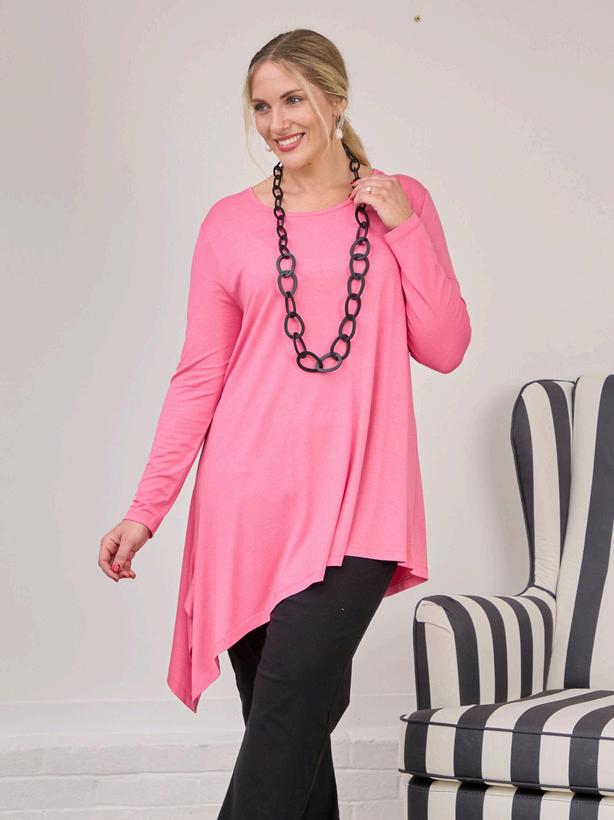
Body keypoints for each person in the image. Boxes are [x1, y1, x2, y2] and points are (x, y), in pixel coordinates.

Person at [98, 27, 471, 819]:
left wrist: (403, 224)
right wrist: (146, 509)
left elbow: (445, 347)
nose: (276, 122)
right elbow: (199, 375)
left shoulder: (401, 202)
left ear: (335, 100)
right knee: (292, 733)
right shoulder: (229, 224)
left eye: (292, 100)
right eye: (262, 107)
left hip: (360, 503)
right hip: (246, 510)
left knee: (287, 718)